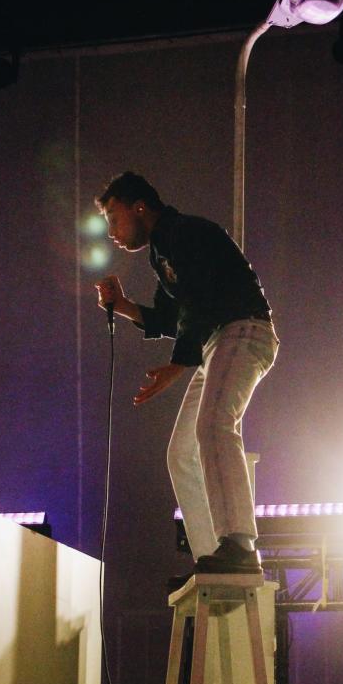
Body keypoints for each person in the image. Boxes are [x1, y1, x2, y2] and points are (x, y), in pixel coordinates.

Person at [95, 172, 278, 577]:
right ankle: (211, 554)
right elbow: (171, 317)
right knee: (180, 455)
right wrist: (123, 305)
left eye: (114, 217)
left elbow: (198, 300)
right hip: (216, 343)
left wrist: (178, 365)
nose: (112, 232)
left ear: (139, 207)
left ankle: (240, 545)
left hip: (243, 330)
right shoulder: (161, 250)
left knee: (214, 424)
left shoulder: (186, 233)